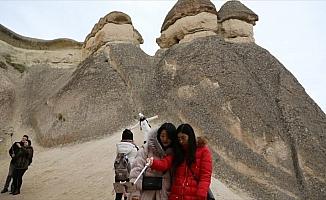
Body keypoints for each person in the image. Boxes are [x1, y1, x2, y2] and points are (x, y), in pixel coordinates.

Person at [147, 123, 212, 200]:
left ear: (190, 137)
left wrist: (201, 194)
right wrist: (153, 163)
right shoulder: (178, 152)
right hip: (176, 195)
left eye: (183, 138)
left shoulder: (203, 151)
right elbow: (165, 163)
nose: (181, 141)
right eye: (178, 138)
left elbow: (205, 176)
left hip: (194, 196)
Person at [129, 122, 177, 200]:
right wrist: (135, 194)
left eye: (168, 137)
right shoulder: (146, 149)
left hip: (165, 195)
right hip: (146, 195)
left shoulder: (175, 154)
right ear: (158, 135)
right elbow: (136, 172)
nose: (165, 139)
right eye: (162, 136)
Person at [114, 129, 139, 200]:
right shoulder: (134, 148)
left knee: (118, 195)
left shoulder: (118, 148)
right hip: (129, 174)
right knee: (130, 195)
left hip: (118, 175)